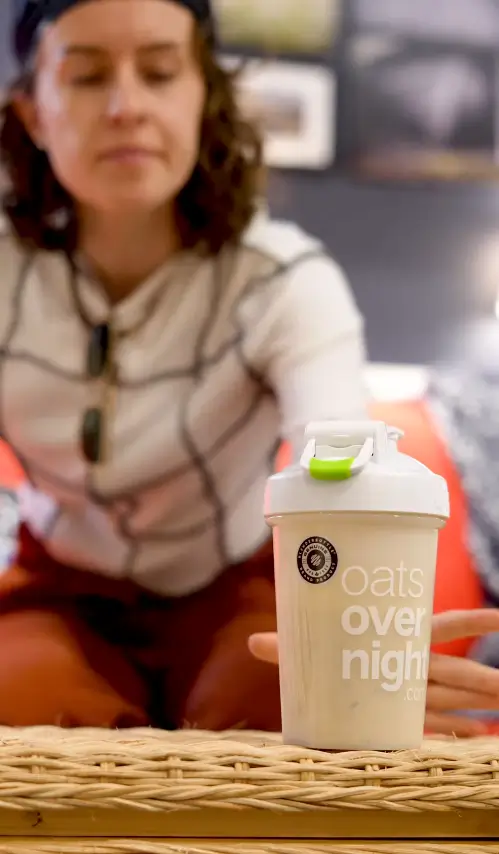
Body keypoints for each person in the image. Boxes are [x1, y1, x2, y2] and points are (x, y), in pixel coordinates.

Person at [0, 0, 497, 735]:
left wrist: (375, 652)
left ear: (204, 96)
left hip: (237, 584)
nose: (126, 106)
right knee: (25, 712)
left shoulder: (282, 279)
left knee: (287, 718)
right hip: (59, 585)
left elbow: (344, 454)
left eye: (162, 72)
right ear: (34, 114)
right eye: (85, 76)